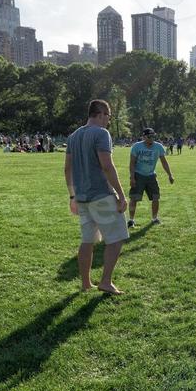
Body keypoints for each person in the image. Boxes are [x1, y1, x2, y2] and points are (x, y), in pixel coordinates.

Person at [64, 100, 129, 295]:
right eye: (108, 116)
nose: (109, 121)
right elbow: (107, 166)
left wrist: (72, 196)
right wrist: (121, 194)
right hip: (101, 195)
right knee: (116, 239)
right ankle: (106, 282)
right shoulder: (101, 133)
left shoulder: (73, 136)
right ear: (100, 113)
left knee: (87, 241)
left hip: (82, 197)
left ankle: (86, 283)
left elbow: (67, 169)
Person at [126, 128, 174, 228]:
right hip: (138, 175)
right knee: (134, 198)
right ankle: (131, 220)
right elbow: (132, 163)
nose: (152, 138)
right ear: (144, 136)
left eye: (153, 136)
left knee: (156, 197)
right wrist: (132, 177)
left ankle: (154, 218)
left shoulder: (158, 146)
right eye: (149, 136)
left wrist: (170, 174)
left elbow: (164, 162)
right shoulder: (137, 146)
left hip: (151, 175)